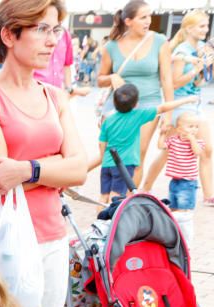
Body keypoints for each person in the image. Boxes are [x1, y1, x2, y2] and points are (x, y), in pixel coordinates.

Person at [0, 0, 86, 307]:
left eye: (56, 30)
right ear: (9, 35)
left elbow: (79, 169)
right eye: (42, 29)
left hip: (51, 236)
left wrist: (27, 170)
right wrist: (54, 168)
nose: (53, 41)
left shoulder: (55, 96)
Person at [140, 10, 212, 203]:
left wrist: (206, 68)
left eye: (206, 26)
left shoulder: (201, 48)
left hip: (195, 103)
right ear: (189, 28)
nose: (206, 30)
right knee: (168, 151)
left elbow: (197, 83)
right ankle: (145, 187)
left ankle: (208, 195)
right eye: (202, 26)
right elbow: (173, 83)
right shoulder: (182, 51)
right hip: (180, 106)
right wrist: (196, 69)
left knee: (207, 150)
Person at [98, 0, 171, 188]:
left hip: (148, 103)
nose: (148, 21)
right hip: (118, 106)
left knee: (137, 157)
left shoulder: (160, 41)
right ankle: (112, 200)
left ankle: (130, 203)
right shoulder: (112, 46)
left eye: (150, 16)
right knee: (112, 155)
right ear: (128, 21)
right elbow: (100, 79)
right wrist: (112, 77)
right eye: (143, 17)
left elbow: (166, 79)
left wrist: (167, 115)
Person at [88, 83, 193, 202]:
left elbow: (101, 143)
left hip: (107, 163)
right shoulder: (138, 115)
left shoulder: (108, 120)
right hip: (124, 164)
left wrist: (104, 156)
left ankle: (100, 220)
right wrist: (186, 100)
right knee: (116, 195)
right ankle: (112, 220)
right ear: (136, 104)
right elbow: (163, 108)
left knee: (103, 196)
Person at [163, 111, 205, 244]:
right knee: (174, 209)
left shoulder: (198, 142)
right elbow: (161, 146)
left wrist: (192, 139)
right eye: (190, 126)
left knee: (184, 213)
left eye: (196, 126)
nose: (194, 129)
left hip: (187, 183)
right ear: (180, 129)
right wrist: (162, 134)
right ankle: (176, 236)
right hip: (174, 181)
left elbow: (198, 153)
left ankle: (186, 241)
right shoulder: (173, 140)